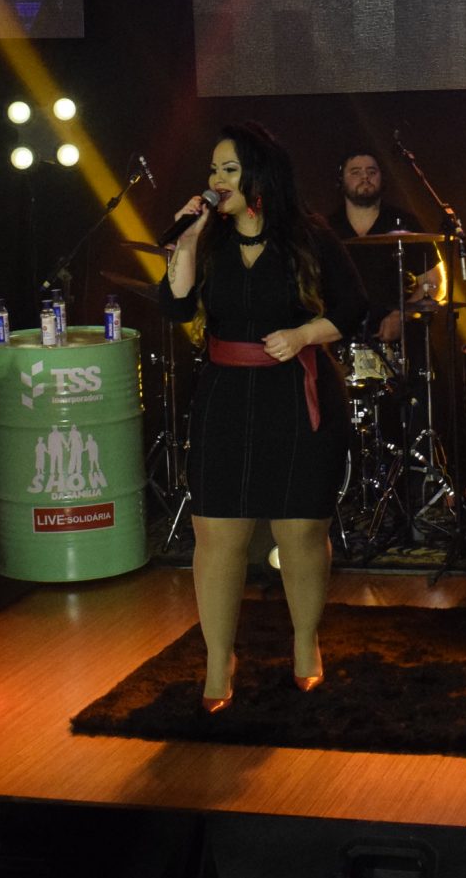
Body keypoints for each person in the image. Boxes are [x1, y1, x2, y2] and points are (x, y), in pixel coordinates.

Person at [160, 122, 367, 711]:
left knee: (300, 531)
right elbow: (175, 305)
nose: (216, 180)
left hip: (296, 392)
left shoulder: (309, 235)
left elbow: (354, 307)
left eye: (229, 169)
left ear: (259, 175)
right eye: (213, 170)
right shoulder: (209, 238)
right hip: (226, 394)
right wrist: (188, 240)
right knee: (217, 534)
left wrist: (303, 334)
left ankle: (305, 641)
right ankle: (217, 659)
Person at [324, 149, 440, 344]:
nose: (365, 177)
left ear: (381, 178)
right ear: (341, 180)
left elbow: (433, 282)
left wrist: (401, 315)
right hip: (340, 339)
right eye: (355, 172)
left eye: (372, 171)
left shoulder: (405, 223)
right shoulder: (326, 228)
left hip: (398, 342)